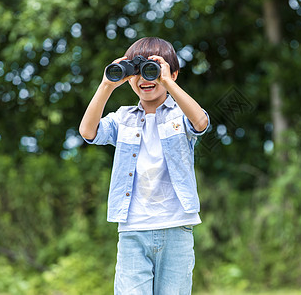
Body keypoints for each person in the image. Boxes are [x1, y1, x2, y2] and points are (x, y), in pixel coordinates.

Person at [79, 37, 210, 295]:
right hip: (133, 229)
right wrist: (107, 85)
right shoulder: (123, 118)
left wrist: (167, 83)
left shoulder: (179, 115)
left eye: (153, 69)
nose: (144, 78)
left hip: (176, 227)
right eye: (136, 72)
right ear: (129, 78)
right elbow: (88, 132)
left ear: (172, 73)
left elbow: (201, 122)